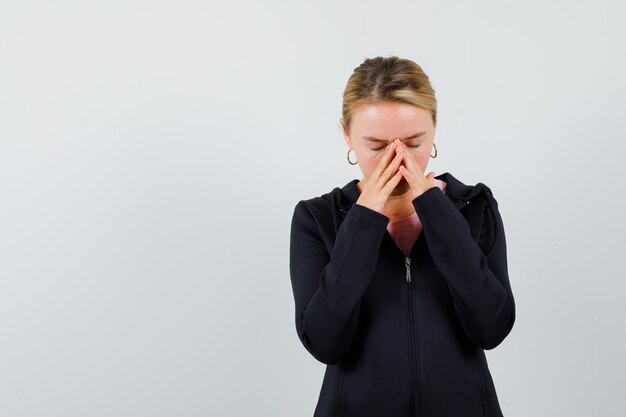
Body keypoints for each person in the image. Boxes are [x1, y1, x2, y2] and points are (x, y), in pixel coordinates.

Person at [289, 56, 516, 417]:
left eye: (413, 142)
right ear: (347, 135)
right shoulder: (318, 218)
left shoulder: (474, 207)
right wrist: (364, 219)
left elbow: (492, 328)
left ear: (435, 130)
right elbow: (325, 343)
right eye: (377, 146)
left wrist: (434, 208)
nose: (396, 161)